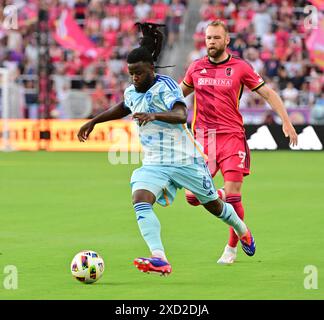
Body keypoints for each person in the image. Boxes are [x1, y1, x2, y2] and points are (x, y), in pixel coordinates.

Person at [77, 23, 256, 276]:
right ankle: (159, 258)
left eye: (138, 73)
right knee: (139, 199)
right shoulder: (132, 91)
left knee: (213, 206)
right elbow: (122, 106)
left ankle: (241, 229)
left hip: (186, 160)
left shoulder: (167, 86)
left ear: (151, 68)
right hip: (155, 163)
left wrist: (154, 115)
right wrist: (94, 121)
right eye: (131, 74)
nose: (134, 78)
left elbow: (182, 114)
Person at [180, 20, 298, 264]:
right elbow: (176, 95)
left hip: (232, 136)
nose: (210, 42)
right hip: (204, 140)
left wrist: (286, 121)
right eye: (208, 37)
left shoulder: (241, 67)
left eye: (215, 38)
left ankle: (232, 248)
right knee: (192, 197)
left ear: (227, 41)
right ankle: (218, 193)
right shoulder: (195, 68)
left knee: (234, 196)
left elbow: (268, 93)